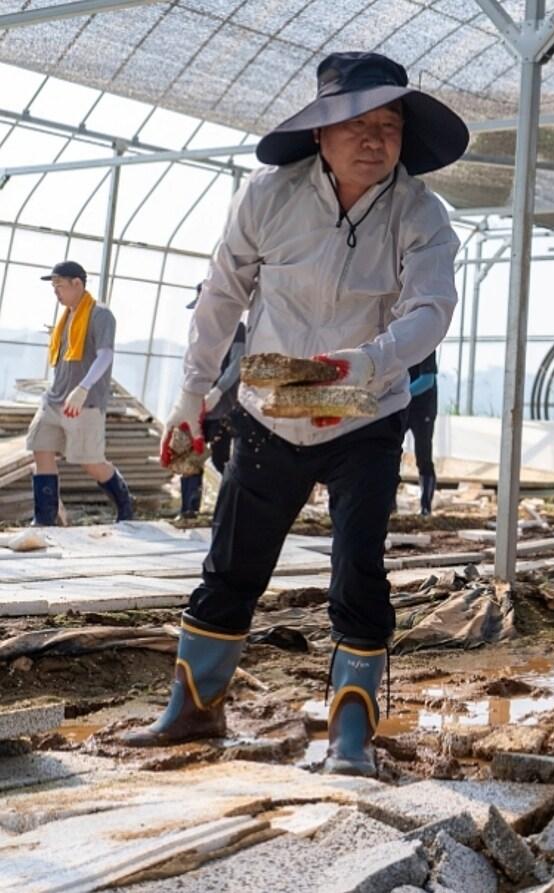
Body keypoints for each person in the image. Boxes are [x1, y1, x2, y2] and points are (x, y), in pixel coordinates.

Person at [122, 52, 468, 778]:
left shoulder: (421, 213)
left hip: (364, 408)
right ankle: (193, 709)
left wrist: (364, 361)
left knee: (358, 572)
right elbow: (222, 295)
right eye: (358, 124)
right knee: (233, 564)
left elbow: (431, 311)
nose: (376, 139)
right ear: (319, 131)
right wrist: (191, 399)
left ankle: (348, 738)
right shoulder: (267, 196)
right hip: (274, 400)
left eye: (391, 125)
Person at [26, 261, 133, 525]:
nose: (56, 292)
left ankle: (126, 505)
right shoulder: (67, 318)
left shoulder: (100, 315)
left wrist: (83, 388)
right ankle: (45, 519)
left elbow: (106, 354)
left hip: (84, 403)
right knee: (41, 448)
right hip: (54, 399)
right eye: (53, 287)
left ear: (77, 283)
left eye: (59, 286)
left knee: (91, 463)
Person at [178, 288, 246, 518]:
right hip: (197, 405)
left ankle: (232, 507)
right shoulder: (199, 332)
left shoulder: (236, 329)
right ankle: (188, 509)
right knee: (189, 455)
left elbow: (237, 363)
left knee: (221, 459)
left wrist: (218, 390)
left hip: (223, 406)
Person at [405, 351, 438, 516]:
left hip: (423, 407)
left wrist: (402, 394)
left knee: (423, 455)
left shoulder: (426, 344)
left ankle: (426, 506)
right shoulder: (397, 342)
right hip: (402, 407)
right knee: (390, 453)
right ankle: (389, 504)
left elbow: (427, 380)